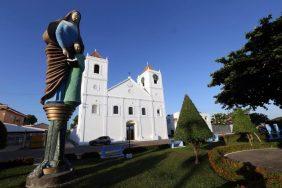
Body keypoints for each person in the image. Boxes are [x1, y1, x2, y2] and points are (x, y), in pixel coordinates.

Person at [40, 10, 84, 105]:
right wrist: (63, 48)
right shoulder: (64, 23)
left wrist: (76, 43)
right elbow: (58, 33)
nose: (77, 17)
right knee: (55, 73)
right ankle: (52, 97)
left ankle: (61, 98)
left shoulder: (76, 29)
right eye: (75, 15)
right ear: (70, 15)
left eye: (79, 17)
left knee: (65, 75)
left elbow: (76, 40)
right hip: (57, 50)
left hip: (68, 53)